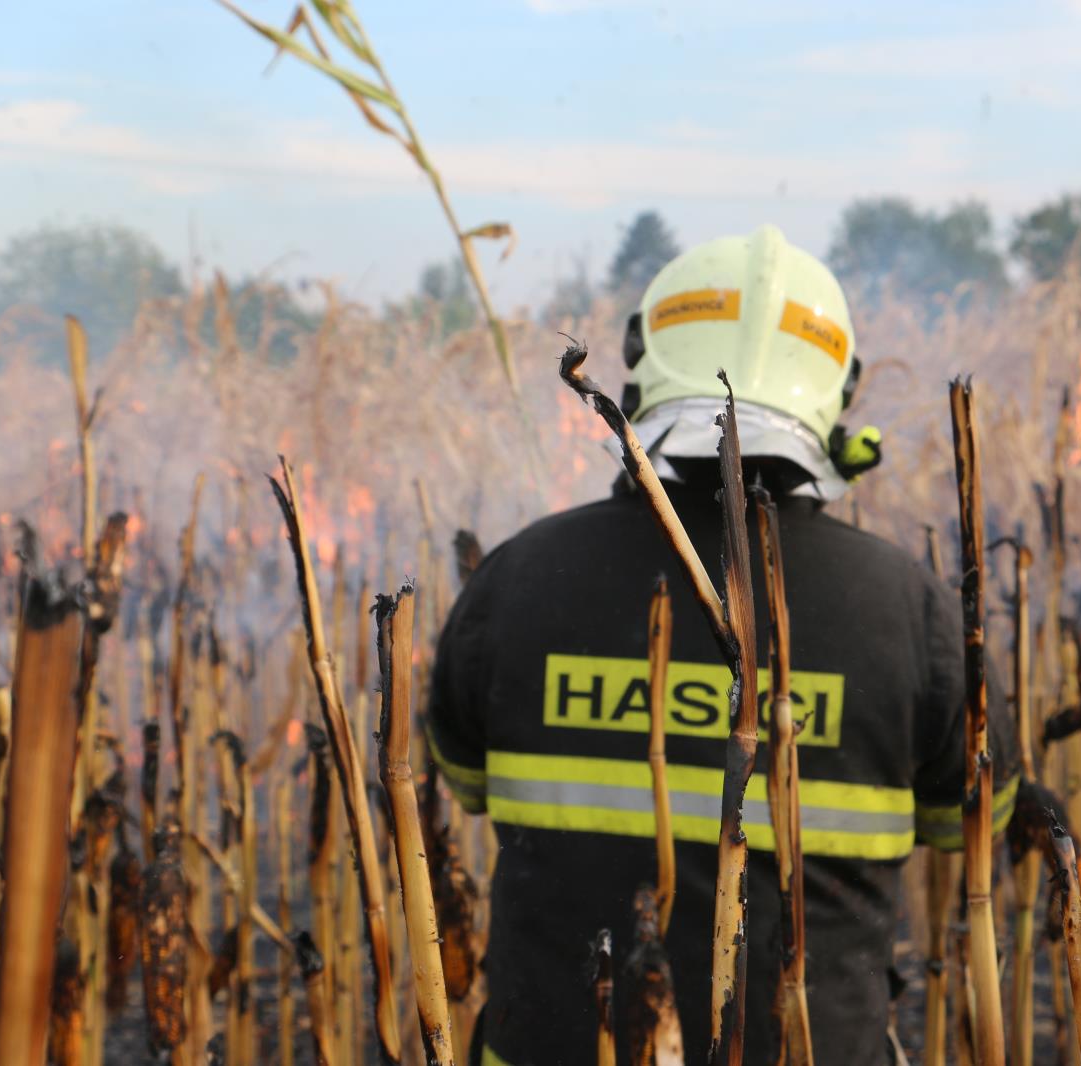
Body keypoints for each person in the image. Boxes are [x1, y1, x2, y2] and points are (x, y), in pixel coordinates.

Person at [427, 224, 1020, 1065]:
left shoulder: (515, 578)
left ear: (639, 368)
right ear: (839, 393)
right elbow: (973, 824)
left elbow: (463, 780)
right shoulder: (911, 613)